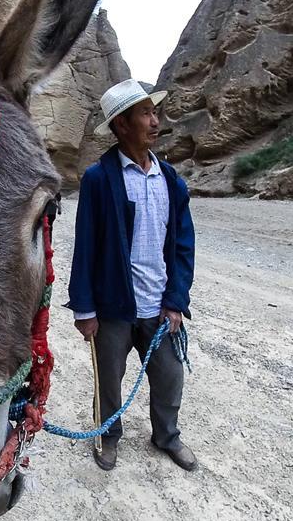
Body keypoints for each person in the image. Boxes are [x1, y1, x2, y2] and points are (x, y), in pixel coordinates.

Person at [67, 79, 197, 471]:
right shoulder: (98, 179)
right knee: (109, 380)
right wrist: (84, 308)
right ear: (121, 125)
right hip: (112, 308)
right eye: (146, 114)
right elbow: (85, 246)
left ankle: (166, 436)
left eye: (155, 113)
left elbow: (182, 247)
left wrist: (176, 301)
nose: (155, 121)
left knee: (170, 376)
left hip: (159, 306)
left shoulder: (170, 180)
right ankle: (108, 435)